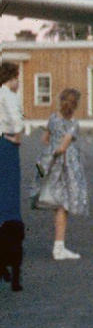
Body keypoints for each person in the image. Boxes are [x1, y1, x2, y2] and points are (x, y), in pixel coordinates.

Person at [32, 88, 89, 260]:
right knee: (64, 204)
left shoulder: (52, 118)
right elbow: (64, 146)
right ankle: (59, 246)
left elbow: (45, 139)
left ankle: (59, 245)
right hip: (67, 164)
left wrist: (50, 153)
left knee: (56, 201)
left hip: (50, 162)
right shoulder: (73, 123)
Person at [0, 62, 23, 226]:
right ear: (12, 78)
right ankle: (10, 219)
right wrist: (17, 137)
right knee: (11, 181)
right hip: (8, 141)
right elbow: (16, 120)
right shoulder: (9, 95)